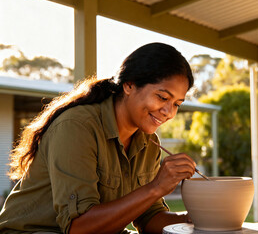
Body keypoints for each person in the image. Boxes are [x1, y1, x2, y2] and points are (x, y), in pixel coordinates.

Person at [0, 43, 196, 234]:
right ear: (129, 85)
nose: (168, 112)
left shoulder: (149, 143)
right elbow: (79, 228)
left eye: (177, 104)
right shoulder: (77, 128)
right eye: (162, 97)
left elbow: (150, 217)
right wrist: (156, 188)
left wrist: (198, 216)